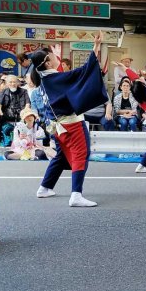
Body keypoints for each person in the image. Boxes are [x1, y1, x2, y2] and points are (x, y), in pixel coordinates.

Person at [31, 34, 108, 207]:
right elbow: (83, 71)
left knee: (61, 157)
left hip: (58, 126)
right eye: (52, 56)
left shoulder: (44, 80)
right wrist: (96, 46)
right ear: (48, 63)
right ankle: (76, 195)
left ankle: (45, 187)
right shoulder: (56, 78)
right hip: (71, 124)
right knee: (81, 154)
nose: (56, 57)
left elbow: (70, 75)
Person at [0, 75, 30, 147]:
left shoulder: (24, 91)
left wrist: (25, 111)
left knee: (29, 117)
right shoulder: (3, 92)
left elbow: (27, 104)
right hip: (7, 113)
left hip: (21, 113)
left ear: (17, 83)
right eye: (10, 82)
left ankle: (27, 139)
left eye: (14, 82)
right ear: (7, 83)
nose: (13, 84)